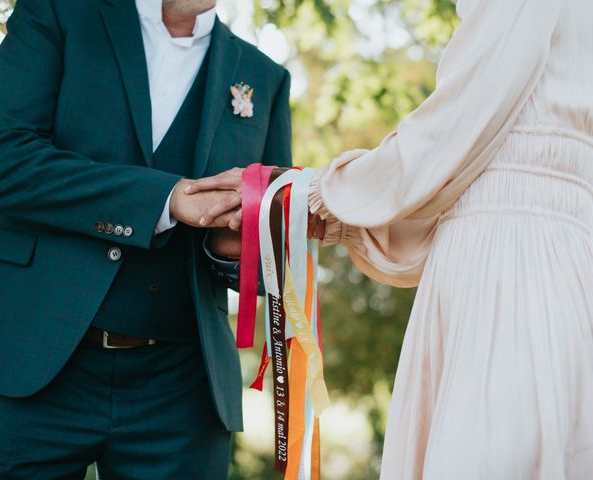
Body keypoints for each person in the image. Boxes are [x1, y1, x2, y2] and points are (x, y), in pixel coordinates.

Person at [187, 0, 593, 477]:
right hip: (562, 258)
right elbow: (484, 163)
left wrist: (315, 194)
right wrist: (334, 216)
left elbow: (457, 126)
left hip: (507, 265)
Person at [0, 0, 291, 477]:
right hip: (27, 359)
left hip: (181, 392)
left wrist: (230, 249)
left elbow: (265, 256)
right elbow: (0, 162)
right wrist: (166, 199)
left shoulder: (264, 75)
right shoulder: (57, 14)